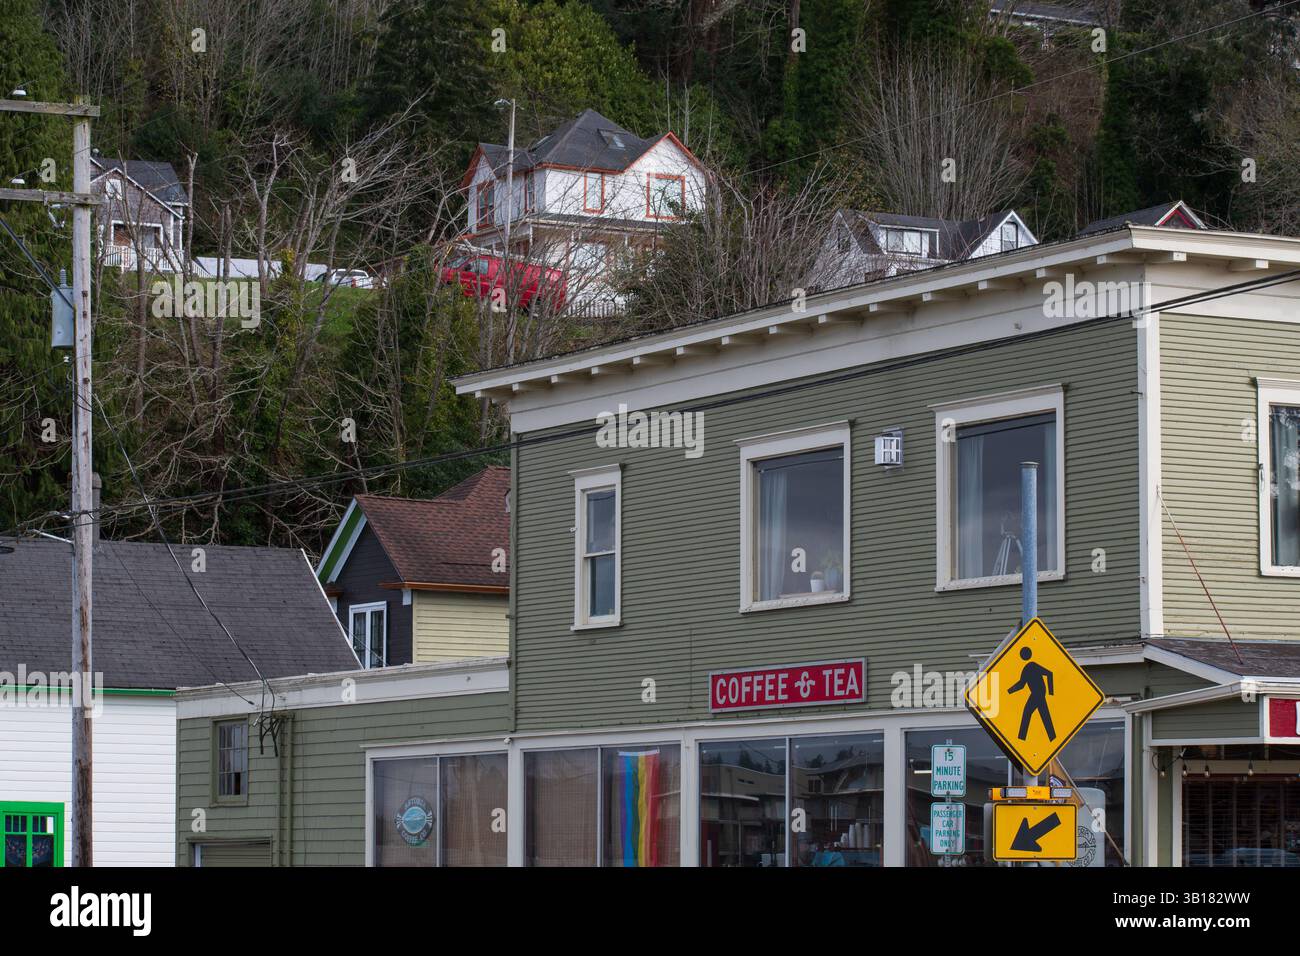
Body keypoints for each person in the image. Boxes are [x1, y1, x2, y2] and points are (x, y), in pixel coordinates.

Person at [1007, 646, 1055, 741]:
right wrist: (1008, 691)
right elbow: (1021, 684)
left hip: (1038, 693)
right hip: (1038, 693)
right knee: (1044, 715)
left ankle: (1021, 738)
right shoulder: (1026, 668)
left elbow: (1049, 674)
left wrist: (1051, 693)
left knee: (1027, 713)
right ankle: (1052, 737)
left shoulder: (1032, 665)